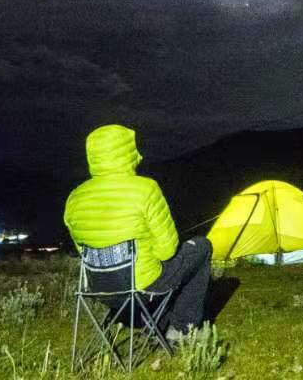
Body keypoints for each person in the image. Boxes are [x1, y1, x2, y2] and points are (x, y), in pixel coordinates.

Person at [64, 123, 211, 338]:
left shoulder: (74, 198)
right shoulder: (146, 189)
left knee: (158, 267)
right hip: (142, 287)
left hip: (99, 290)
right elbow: (167, 251)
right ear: (127, 152)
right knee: (201, 247)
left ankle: (158, 320)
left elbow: (83, 251)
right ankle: (182, 329)